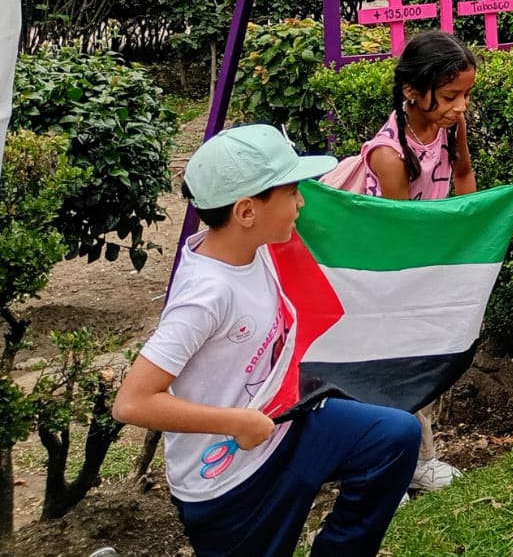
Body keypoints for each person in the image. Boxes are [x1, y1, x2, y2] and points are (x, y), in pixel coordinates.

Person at [113, 126, 421, 557]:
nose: (302, 202)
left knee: (393, 436)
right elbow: (132, 402)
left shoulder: (254, 247)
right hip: (228, 481)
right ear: (245, 211)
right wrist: (238, 422)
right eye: (292, 192)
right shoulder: (206, 295)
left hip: (285, 430)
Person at [347, 30, 477, 491]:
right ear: (411, 92)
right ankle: (380, 475)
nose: (460, 106)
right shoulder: (389, 155)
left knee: (412, 371)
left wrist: (472, 238)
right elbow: (402, 232)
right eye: (449, 96)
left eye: (465, 95)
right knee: (385, 375)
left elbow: (462, 176)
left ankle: (419, 463)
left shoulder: (448, 126)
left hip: (425, 267)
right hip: (386, 277)